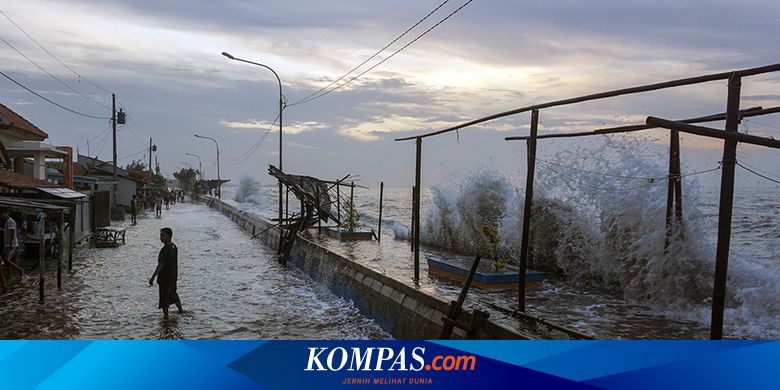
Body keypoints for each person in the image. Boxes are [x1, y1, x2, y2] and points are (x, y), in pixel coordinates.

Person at [148, 227, 183, 319]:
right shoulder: (174, 247)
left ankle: (166, 318)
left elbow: (160, 265)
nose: (161, 237)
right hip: (173, 277)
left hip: (164, 278)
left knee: (164, 299)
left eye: (163, 235)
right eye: (160, 235)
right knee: (173, 294)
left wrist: (153, 277)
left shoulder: (164, 250)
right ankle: (181, 311)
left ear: (169, 236)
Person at [0, 209, 26, 278]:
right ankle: (8, 273)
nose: (1, 216)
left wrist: (11, 243)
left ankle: (20, 270)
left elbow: (13, 232)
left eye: (1, 215)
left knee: (7, 260)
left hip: (11, 243)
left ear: (6, 213)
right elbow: (8, 231)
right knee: (7, 260)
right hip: (8, 243)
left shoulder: (10, 221)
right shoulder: (8, 221)